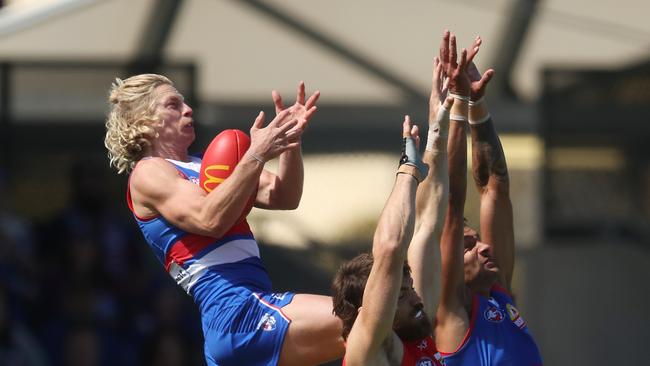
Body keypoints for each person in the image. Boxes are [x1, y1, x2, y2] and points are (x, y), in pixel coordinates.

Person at [104, 75, 343, 366]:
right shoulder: (149, 172)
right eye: (173, 104)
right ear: (144, 121)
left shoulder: (205, 164)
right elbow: (209, 219)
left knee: (373, 334)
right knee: (365, 320)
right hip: (237, 312)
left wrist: (290, 140)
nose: (188, 109)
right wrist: (255, 154)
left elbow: (284, 196)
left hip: (249, 311)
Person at [331, 48, 460, 365]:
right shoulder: (372, 350)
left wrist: (437, 127)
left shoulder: (415, 326)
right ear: (371, 309)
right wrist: (408, 171)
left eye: (409, 288)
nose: (415, 297)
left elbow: (430, 220)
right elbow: (390, 248)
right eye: (401, 295)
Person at [432, 30, 543, 365]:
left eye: (476, 240)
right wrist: (457, 106)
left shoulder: (499, 293)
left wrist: (477, 106)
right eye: (467, 247)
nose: (483, 246)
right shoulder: (451, 312)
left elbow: (495, 186)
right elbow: (451, 203)